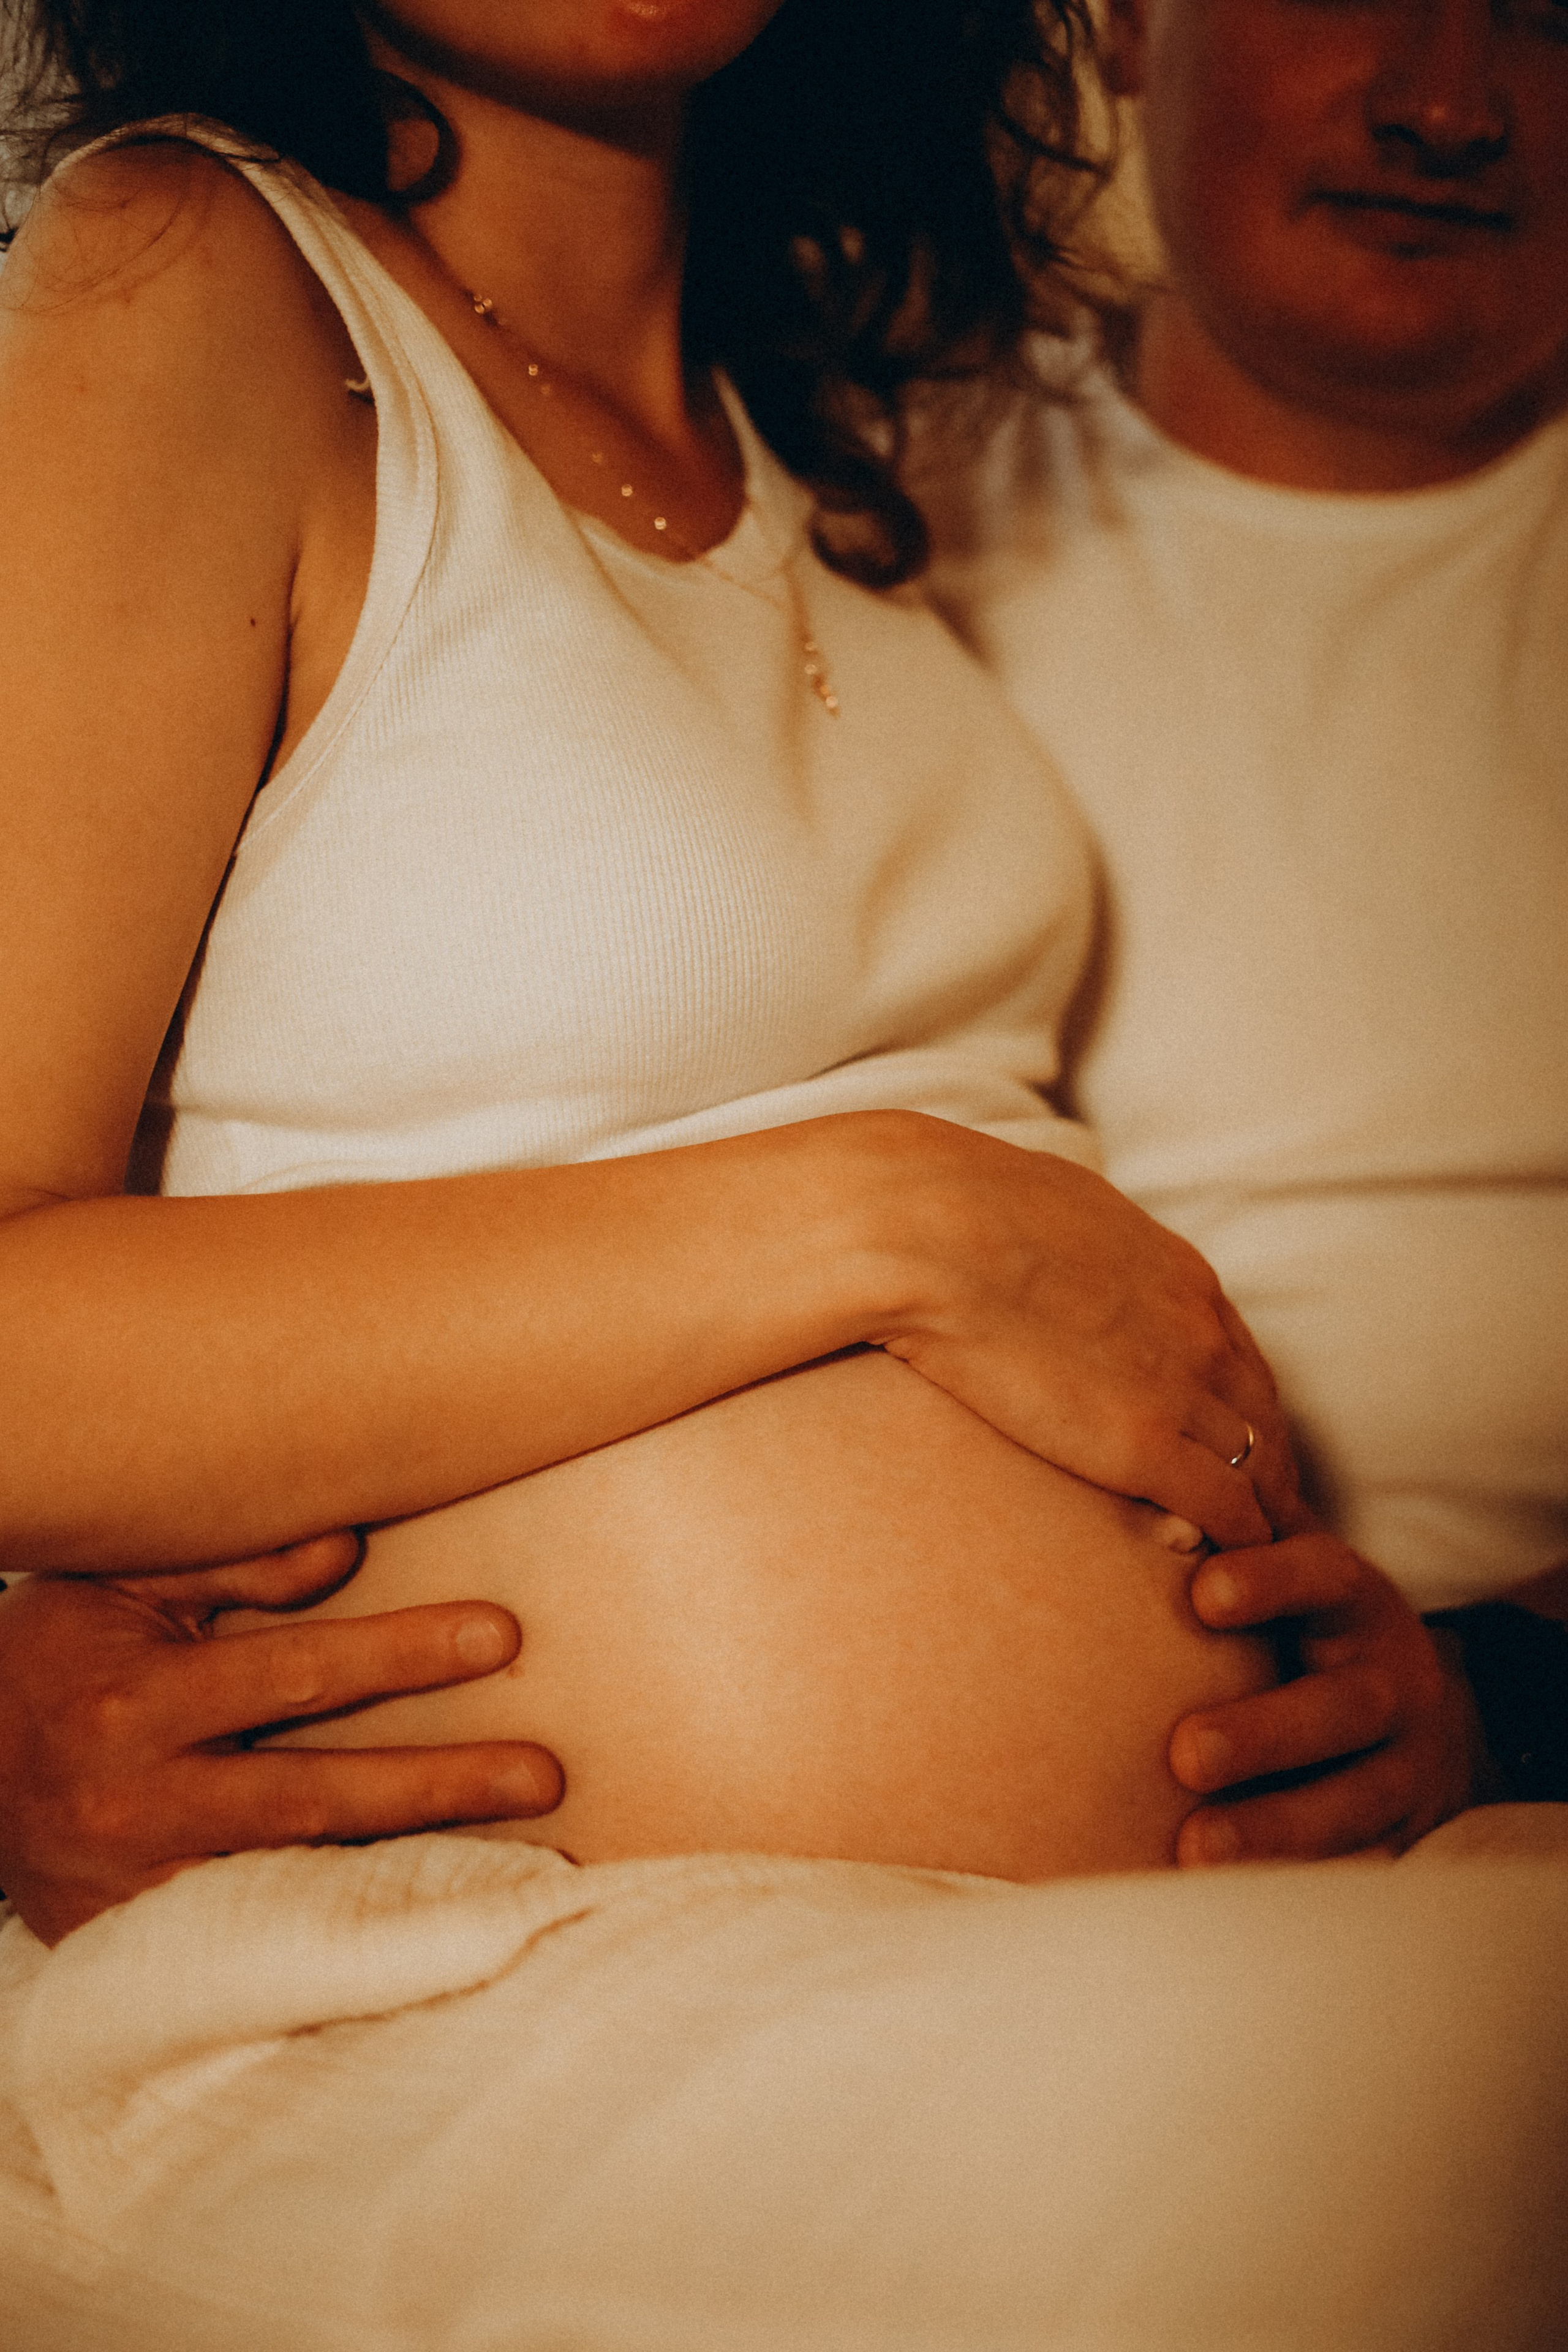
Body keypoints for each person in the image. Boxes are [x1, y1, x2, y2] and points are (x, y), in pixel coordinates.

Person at [0, 0, 1478, 1947]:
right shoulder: (179, 281)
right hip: (525, 1985)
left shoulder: (815, 439)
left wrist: (1399, 1692)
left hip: (1146, 1943)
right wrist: (890, 1222)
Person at [921, 0, 1568, 1836]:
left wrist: (1502, 1710)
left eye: (1544, 15)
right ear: (1126, 24)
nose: (1446, 102)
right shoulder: (843, 502)